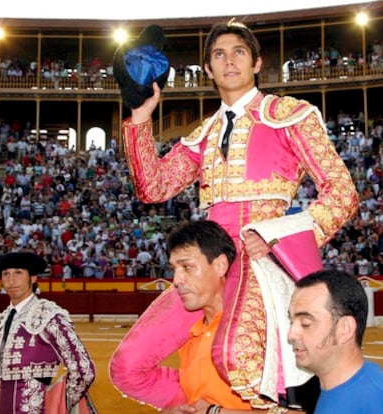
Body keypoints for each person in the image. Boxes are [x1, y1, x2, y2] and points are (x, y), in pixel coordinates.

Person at [110, 19, 358, 411]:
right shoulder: (203, 133)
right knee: (127, 365)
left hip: (262, 257)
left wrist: (279, 236)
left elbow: (342, 193)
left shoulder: (290, 115)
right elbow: (154, 187)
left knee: (239, 357)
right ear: (207, 69)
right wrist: (141, 115)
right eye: (219, 55)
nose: (229, 62)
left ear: (257, 63)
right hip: (208, 258)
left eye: (239, 52)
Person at [113, 220, 303, 413]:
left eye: (187, 267)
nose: (177, 280)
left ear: (220, 266)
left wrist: (214, 412)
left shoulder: (261, 328)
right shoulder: (192, 334)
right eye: (174, 270)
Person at [0, 250, 96, 413]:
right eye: (6, 274)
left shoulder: (47, 315)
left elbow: (84, 370)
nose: (11, 280)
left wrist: (57, 403)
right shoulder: (2, 319)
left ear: (33, 278)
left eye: (18, 273)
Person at [288, 269, 383, 413]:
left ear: (345, 328)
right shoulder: (333, 387)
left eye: (306, 323)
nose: (291, 335)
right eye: (291, 322)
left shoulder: (373, 401)